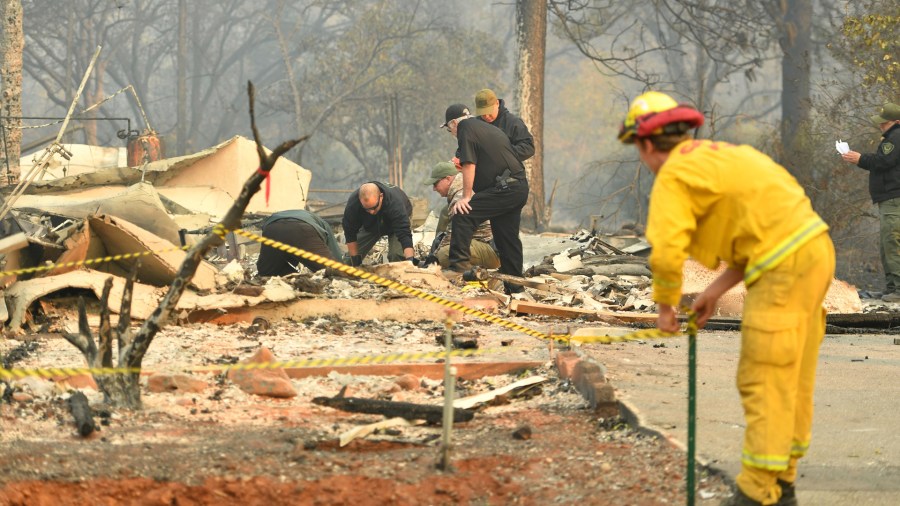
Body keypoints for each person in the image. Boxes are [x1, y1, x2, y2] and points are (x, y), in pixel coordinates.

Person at [618, 91, 835, 506]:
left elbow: (665, 250)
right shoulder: (724, 156)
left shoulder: (674, 174)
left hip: (782, 267)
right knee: (792, 375)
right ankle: (781, 481)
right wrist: (714, 292)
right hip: (814, 251)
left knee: (764, 378)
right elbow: (756, 236)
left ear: (646, 144)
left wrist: (665, 309)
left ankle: (755, 493)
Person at [441, 103, 529, 293]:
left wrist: (466, 197)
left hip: (505, 188)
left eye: (449, 130)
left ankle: (458, 269)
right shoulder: (487, 128)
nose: (452, 134)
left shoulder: (465, 128)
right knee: (506, 239)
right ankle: (516, 289)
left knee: (463, 214)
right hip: (517, 187)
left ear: (454, 123)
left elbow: (469, 163)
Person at [841, 102, 900, 302]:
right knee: (886, 245)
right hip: (888, 199)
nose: (881, 126)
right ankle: (892, 288)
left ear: (896, 122)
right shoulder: (891, 137)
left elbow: (883, 162)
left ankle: (898, 290)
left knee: (892, 243)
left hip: (894, 199)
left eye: (884, 123)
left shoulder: (896, 137)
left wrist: (859, 158)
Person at [424, 161, 500, 269]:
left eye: (435, 184)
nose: (434, 188)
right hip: (489, 246)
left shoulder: (460, 198)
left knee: (444, 254)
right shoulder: (465, 188)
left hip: (490, 249)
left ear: (448, 179)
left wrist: (434, 259)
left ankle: (465, 272)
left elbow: (454, 236)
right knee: (443, 246)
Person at [341, 181, 416, 266]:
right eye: (367, 209)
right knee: (348, 262)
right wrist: (355, 264)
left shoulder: (395, 203)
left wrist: (410, 262)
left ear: (381, 197)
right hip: (371, 225)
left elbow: (404, 234)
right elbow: (350, 233)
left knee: (396, 256)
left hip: (395, 225)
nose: (371, 212)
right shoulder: (353, 204)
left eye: (374, 207)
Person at [256, 209, 343, 276]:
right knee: (331, 269)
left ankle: (293, 276)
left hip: (272, 228)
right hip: (302, 229)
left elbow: (288, 246)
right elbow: (334, 250)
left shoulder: (312, 219)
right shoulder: (323, 225)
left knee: (267, 271)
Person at [474, 88, 535, 162]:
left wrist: (503, 153)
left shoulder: (513, 123)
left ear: (497, 103)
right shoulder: (475, 124)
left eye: (489, 111)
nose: (486, 116)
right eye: (483, 113)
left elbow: (528, 148)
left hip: (508, 171)